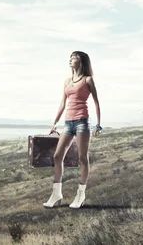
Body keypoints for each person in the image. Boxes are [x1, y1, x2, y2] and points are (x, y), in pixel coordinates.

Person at [43, 51, 102, 209]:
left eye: (74, 58)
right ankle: (57, 194)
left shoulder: (87, 79)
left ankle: (80, 194)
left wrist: (98, 124)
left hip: (82, 122)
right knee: (57, 156)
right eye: (70, 58)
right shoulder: (67, 81)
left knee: (82, 158)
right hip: (68, 123)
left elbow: (96, 102)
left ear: (81, 61)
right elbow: (62, 103)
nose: (70, 60)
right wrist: (55, 122)